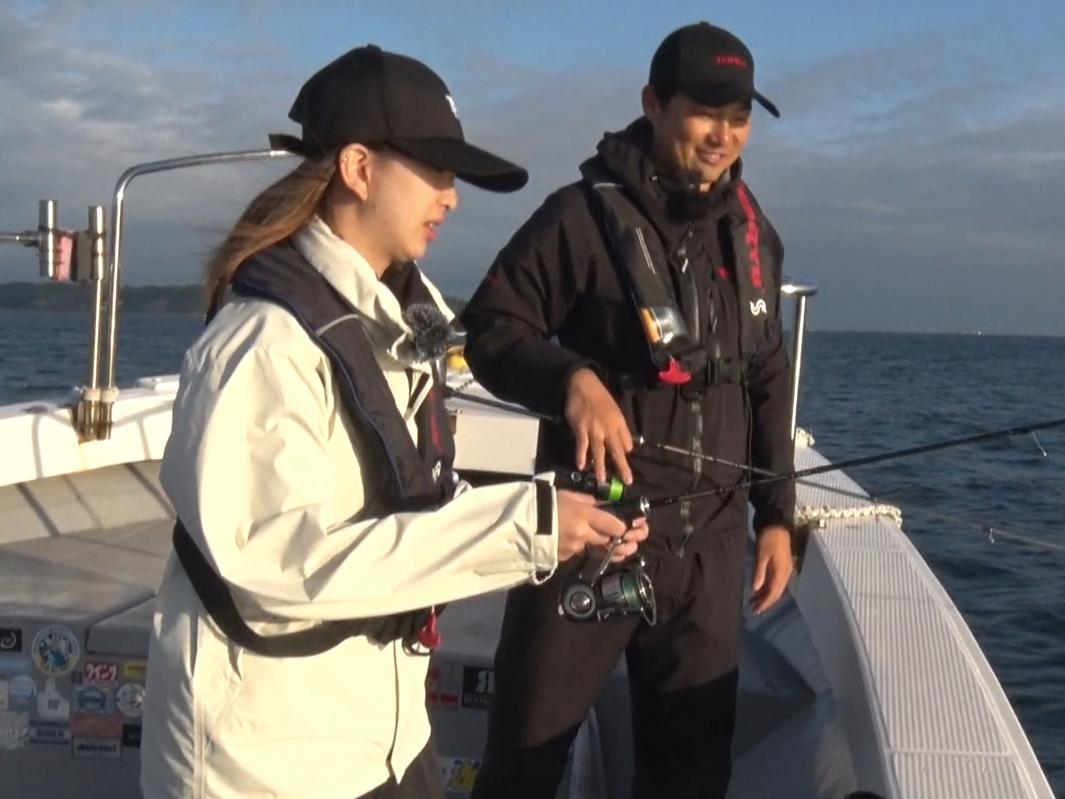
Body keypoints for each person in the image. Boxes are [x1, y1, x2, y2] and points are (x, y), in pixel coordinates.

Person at [140, 45, 645, 799]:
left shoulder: (399, 319)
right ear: (358, 168)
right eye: (436, 170)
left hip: (387, 736)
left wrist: (566, 519)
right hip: (269, 763)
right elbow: (279, 563)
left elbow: (412, 487)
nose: (452, 197)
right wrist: (528, 526)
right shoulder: (261, 345)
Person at [461, 22, 796, 799]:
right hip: (594, 530)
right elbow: (490, 328)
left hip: (711, 546)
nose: (722, 135)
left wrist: (778, 515)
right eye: (703, 112)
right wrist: (570, 378)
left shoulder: (755, 234)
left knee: (691, 774)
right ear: (652, 104)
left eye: (739, 117)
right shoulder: (576, 218)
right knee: (524, 758)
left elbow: (767, 374)